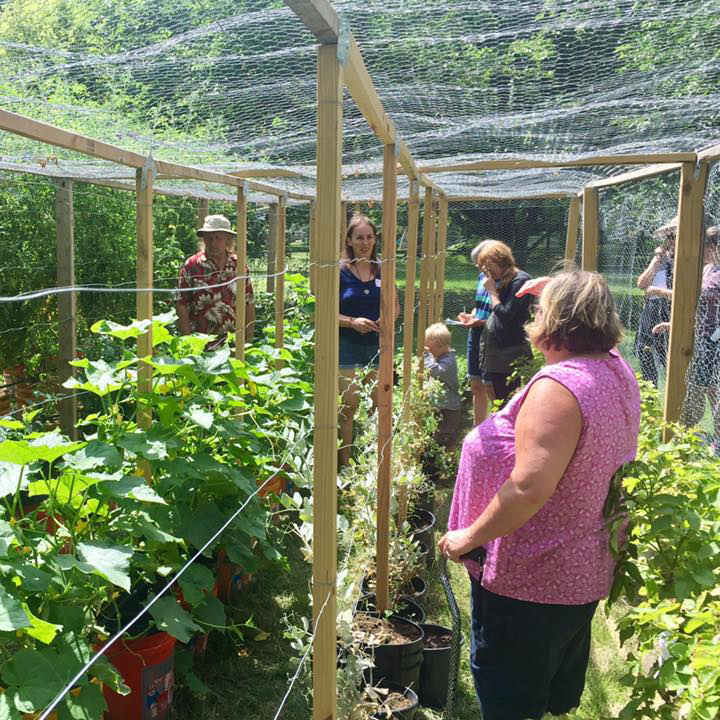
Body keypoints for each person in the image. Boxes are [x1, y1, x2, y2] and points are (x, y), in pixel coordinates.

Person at [438, 269, 641, 720]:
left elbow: (528, 488)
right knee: (539, 695)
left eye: (542, 308)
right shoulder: (613, 370)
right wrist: (561, 288)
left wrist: (468, 537)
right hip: (575, 572)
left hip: (529, 580)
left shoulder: (558, 389)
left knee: (510, 703)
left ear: (555, 321)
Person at [338, 214, 400, 466]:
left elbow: (395, 306)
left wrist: (387, 320)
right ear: (349, 241)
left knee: (379, 407)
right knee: (348, 408)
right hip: (346, 347)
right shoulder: (340, 273)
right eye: (359, 237)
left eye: (369, 237)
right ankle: (343, 466)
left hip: (377, 345)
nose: (365, 243)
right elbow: (325, 312)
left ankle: (376, 463)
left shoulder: (383, 270)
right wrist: (352, 322)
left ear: (375, 240)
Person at [654, 226, 720, 450]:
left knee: (713, 393)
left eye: (706, 248)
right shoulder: (710, 268)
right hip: (702, 339)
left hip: (715, 342)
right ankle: (684, 436)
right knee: (698, 391)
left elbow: (699, 297)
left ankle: (709, 442)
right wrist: (674, 324)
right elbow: (698, 305)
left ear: (714, 247)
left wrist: (661, 293)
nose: (703, 254)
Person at [175, 214, 255, 348]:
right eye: (209, 238)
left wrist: (248, 340)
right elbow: (181, 304)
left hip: (233, 344)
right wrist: (189, 343)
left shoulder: (239, 266)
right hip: (201, 344)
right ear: (204, 240)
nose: (213, 243)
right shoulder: (192, 266)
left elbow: (249, 302)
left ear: (228, 240)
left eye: (218, 238)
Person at [474, 240, 533, 405]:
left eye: (488, 267)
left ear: (501, 260)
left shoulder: (520, 280)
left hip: (509, 351)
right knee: (497, 395)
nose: (487, 273)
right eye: (483, 269)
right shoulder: (503, 280)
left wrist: (492, 291)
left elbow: (505, 315)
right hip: (497, 350)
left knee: (508, 398)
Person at [634, 218, 676, 386]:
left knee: (668, 359)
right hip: (651, 309)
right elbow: (641, 284)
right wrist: (656, 261)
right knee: (646, 352)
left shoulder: (687, 261)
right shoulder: (661, 258)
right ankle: (651, 401)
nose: (670, 240)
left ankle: (673, 400)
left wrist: (657, 292)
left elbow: (686, 295)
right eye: (669, 236)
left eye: (674, 236)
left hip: (670, 309)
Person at [457, 241, 493, 425]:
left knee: (491, 387)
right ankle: (477, 431)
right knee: (476, 384)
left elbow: (506, 313)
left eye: (482, 264)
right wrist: (471, 315)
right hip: (476, 334)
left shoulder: (510, 280)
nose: (479, 268)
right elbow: (481, 305)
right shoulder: (481, 277)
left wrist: (482, 321)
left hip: (493, 338)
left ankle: (495, 432)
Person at [423, 322, 463, 451]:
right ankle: (443, 458)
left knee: (445, 436)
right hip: (444, 405)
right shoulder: (445, 356)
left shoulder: (448, 361)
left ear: (439, 346)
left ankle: (448, 462)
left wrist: (427, 357)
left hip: (449, 409)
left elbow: (436, 372)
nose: (429, 351)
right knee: (439, 434)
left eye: (431, 349)